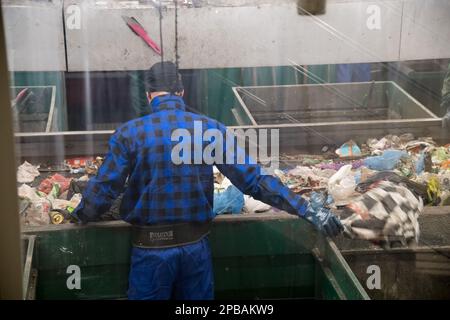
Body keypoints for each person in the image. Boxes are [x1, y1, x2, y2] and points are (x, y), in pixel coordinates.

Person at [72, 61, 343, 300]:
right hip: (195, 252)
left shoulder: (129, 133)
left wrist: (82, 214)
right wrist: (307, 209)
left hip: (150, 252)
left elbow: (105, 188)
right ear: (181, 92)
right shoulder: (209, 129)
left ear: (148, 94)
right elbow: (254, 181)